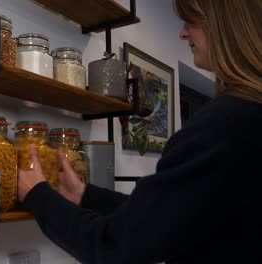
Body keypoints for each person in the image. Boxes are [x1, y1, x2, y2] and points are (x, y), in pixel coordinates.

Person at [17, 0, 262, 263]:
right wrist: (86, 195)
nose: (182, 33)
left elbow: (118, 246)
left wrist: (38, 195)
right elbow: (168, 218)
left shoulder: (225, 122)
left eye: (191, 21)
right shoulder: (250, 116)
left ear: (223, 27)